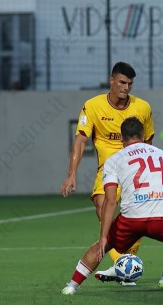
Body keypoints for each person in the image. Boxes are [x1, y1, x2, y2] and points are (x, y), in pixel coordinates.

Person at [61, 117, 163, 295]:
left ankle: (71, 286)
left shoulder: (114, 160)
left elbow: (110, 201)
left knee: (102, 245)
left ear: (122, 138)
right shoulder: (162, 154)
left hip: (131, 221)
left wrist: (104, 236)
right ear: (143, 135)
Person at [59, 62, 155, 283]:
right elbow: (80, 140)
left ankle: (124, 263)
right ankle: (122, 262)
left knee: (137, 217)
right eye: (122, 82)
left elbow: (148, 141)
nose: (126, 88)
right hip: (108, 169)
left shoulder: (143, 107)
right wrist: (71, 174)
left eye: (130, 84)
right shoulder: (92, 106)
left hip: (135, 170)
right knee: (102, 206)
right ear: (111, 80)